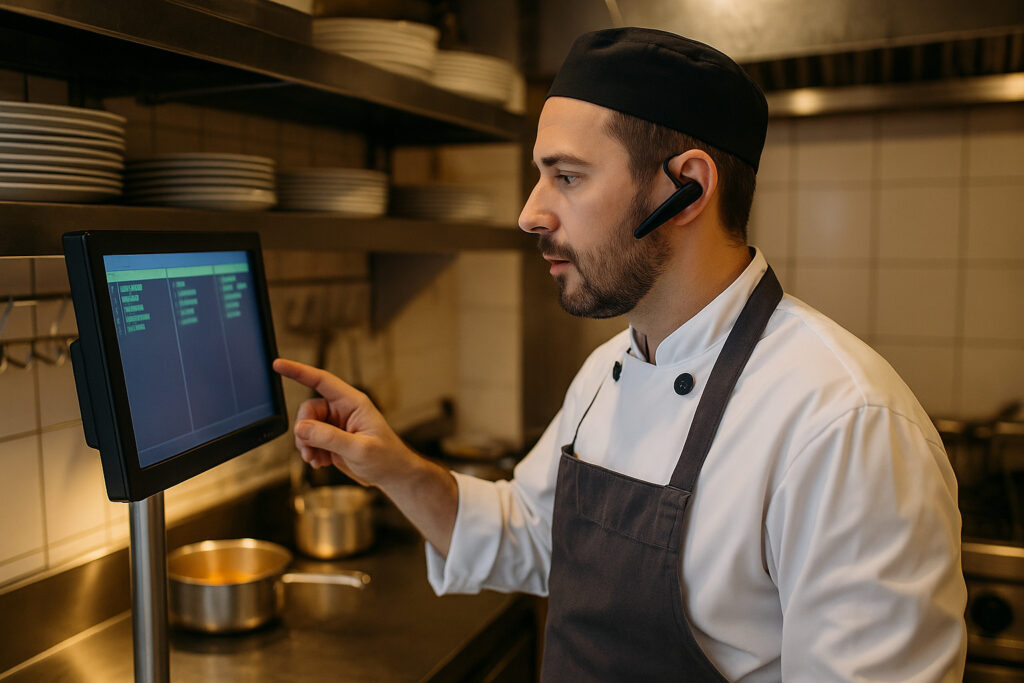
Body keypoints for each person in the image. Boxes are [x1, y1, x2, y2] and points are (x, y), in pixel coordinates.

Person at [274, 27, 967, 682]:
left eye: (566, 177)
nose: (530, 213)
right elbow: (530, 535)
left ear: (684, 186)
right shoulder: (608, 370)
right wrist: (396, 468)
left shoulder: (846, 425)